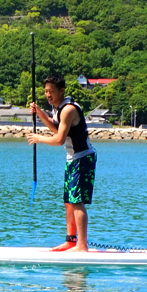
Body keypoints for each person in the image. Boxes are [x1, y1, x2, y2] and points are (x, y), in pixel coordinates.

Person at [27, 74, 94, 252]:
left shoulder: (68, 109)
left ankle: (82, 245)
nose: (48, 95)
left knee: (77, 201)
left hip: (83, 158)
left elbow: (59, 139)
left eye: (52, 91)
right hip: (73, 158)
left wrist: (39, 138)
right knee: (69, 201)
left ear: (62, 91)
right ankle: (71, 241)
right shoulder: (58, 109)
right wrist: (40, 113)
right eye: (46, 91)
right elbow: (56, 128)